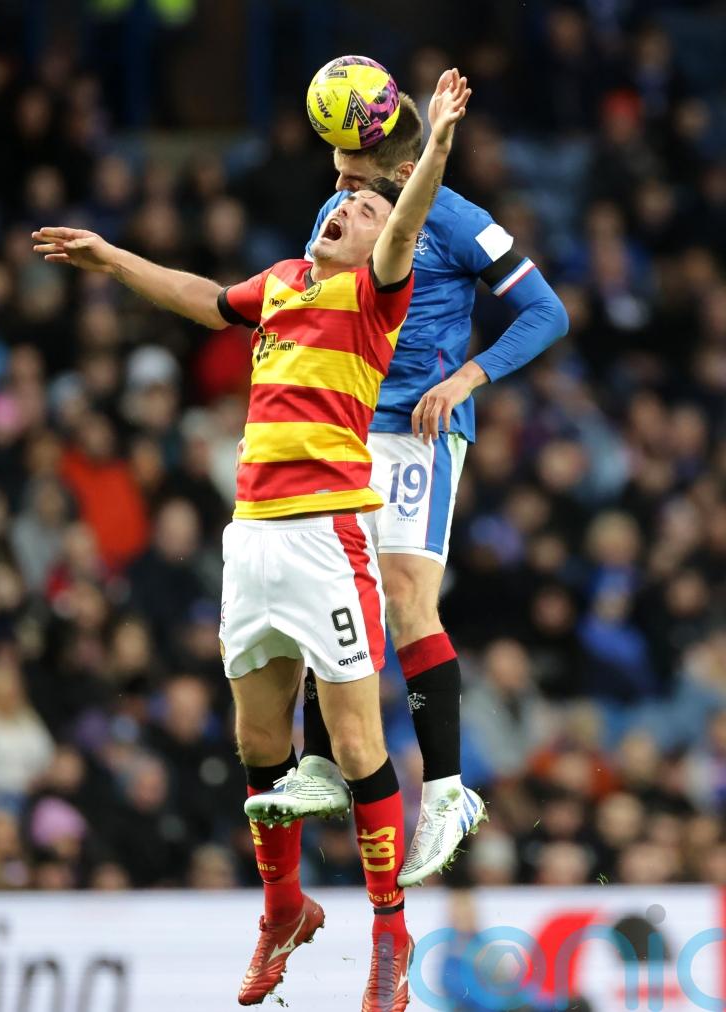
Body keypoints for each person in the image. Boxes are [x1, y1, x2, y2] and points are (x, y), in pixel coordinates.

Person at [33, 67, 470, 1012]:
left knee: (356, 744)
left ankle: (388, 933)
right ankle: (283, 909)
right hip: (252, 541)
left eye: (358, 209)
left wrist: (433, 143)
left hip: (327, 539)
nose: (343, 211)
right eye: (338, 202)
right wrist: (112, 258)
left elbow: (403, 223)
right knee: (258, 737)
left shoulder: (372, 304)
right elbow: (198, 294)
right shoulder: (278, 286)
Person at [246, 82, 569, 887]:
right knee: (338, 589)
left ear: (385, 158)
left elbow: (546, 311)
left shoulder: (453, 217)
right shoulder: (348, 220)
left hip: (419, 433)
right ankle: (321, 764)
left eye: (346, 160)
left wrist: (467, 377)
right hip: (348, 428)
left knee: (402, 597)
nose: (335, 176)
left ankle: (451, 791)